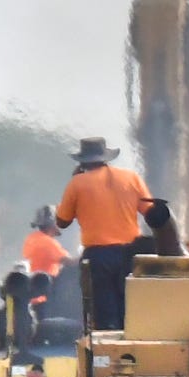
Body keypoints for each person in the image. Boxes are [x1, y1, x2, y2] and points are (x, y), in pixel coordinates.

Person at [54, 138, 154, 331]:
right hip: (131, 254)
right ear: (106, 158)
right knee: (131, 307)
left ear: (82, 162)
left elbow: (62, 222)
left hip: (98, 256)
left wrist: (76, 182)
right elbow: (151, 212)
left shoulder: (77, 183)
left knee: (105, 311)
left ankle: (109, 352)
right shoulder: (131, 178)